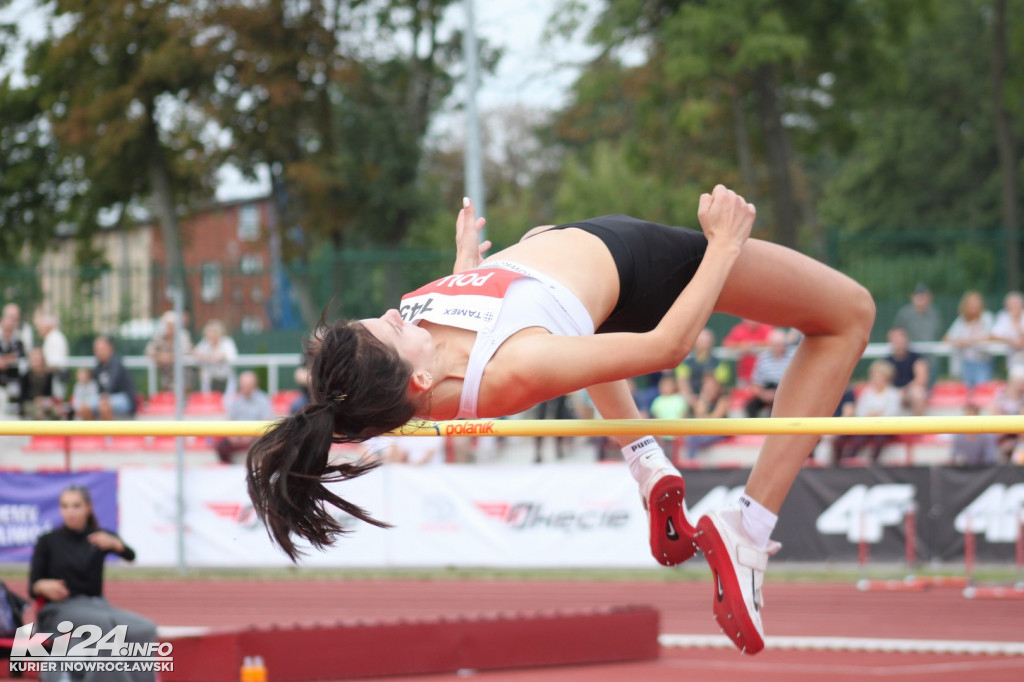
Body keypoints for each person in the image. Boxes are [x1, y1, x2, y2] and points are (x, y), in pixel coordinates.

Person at [245, 187, 875, 655]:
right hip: (643, 269)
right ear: (418, 381)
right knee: (848, 313)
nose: (391, 310)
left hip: (575, 254)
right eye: (388, 327)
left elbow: (488, 320)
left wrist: (466, 270)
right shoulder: (510, 369)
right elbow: (666, 347)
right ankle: (748, 528)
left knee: (574, 340)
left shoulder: (419, 364)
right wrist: (724, 244)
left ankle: (647, 464)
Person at [29, 484, 157, 682]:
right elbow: (33, 585)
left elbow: (130, 555)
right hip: (60, 609)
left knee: (144, 628)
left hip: (96, 605)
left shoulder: (99, 538)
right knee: (103, 626)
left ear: (88, 508)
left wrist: (116, 544)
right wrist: (42, 586)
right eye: (65, 506)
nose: (69, 512)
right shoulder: (48, 541)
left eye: (76, 506)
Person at [831, 360, 902, 465]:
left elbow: (892, 412)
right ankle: (845, 461)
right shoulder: (867, 392)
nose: (875, 380)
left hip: (884, 427)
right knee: (855, 437)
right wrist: (872, 415)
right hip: (867, 425)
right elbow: (860, 411)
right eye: (874, 376)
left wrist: (876, 415)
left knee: (879, 437)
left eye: (878, 376)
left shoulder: (893, 394)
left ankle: (872, 463)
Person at [214, 370, 274, 464]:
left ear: (254, 385)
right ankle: (229, 470)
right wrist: (232, 437)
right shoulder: (235, 400)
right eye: (243, 384)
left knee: (268, 446)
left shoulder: (263, 400)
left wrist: (251, 436)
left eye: (248, 384)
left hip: (256, 437)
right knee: (221, 447)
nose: (245, 387)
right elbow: (229, 420)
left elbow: (266, 423)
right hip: (237, 435)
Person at [943, 290, 994, 392]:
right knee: (966, 393)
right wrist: (958, 342)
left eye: (976, 302)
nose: (974, 305)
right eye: (971, 302)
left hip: (982, 362)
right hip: (965, 362)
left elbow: (992, 336)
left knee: (982, 391)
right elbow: (947, 338)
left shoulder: (987, 317)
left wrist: (970, 341)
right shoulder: (962, 320)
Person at [79, 336, 138, 420]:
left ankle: (109, 433)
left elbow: (113, 381)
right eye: (97, 350)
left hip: (124, 398)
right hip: (106, 398)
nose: (99, 352)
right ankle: (93, 432)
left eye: (102, 349)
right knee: (84, 407)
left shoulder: (116, 362)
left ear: (110, 348)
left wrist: (105, 395)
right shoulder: (99, 366)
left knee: (104, 406)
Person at [744, 328, 793, 418]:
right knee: (750, 406)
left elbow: (796, 382)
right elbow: (755, 383)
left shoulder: (792, 357)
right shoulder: (763, 358)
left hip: (786, 391)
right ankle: (753, 431)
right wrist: (764, 395)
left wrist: (779, 394)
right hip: (766, 389)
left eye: (779, 345)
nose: (777, 348)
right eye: (775, 345)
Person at [676, 328, 731, 401]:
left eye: (707, 341)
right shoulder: (685, 364)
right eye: (702, 341)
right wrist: (693, 401)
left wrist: (704, 400)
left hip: (713, 400)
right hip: (690, 401)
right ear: (695, 342)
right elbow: (682, 383)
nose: (705, 344)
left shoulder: (720, 364)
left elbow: (719, 386)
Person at [685, 373, 731, 460]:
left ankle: (690, 462)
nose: (709, 388)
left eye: (711, 385)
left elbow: (714, 420)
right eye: (706, 385)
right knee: (690, 436)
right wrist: (703, 399)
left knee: (693, 438)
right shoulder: (702, 399)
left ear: (717, 386)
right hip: (706, 431)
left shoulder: (723, 399)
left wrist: (703, 412)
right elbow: (699, 419)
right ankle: (691, 462)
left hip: (720, 431)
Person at [885, 327, 930, 416]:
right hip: (893, 393)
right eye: (895, 337)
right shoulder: (886, 361)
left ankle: (919, 427)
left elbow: (921, 379)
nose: (898, 340)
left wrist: (904, 390)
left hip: (910, 392)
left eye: (900, 337)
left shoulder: (917, 358)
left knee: (917, 393)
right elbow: (882, 381)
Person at [145, 311, 193, 393]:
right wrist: (161, 357)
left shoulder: (183, 335)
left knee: (183, 397)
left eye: (171, 325)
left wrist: (165, 357)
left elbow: (184, 352)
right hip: (166, 376)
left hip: (182, 375)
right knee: (167, 398)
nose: (169, 327)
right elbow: (149, 351)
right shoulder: (160, 336)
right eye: (167, 325)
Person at [649, 371, 689, 459]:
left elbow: (683, 417)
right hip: (662, 436)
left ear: (673, 386)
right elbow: (655, 418)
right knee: (662, 456)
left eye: (667, 385)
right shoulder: (657, 401)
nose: (665, 388)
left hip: (676, 436)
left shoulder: (679, 399)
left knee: (675, 458)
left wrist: (680, 434)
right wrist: (657, 434)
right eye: (662, 385)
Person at [191, 319, 238, 393]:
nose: (210, 335)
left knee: (227, 401)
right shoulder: (205, 343)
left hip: (225, 378)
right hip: (210, 379)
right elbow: (196, 353)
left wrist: (217, 357)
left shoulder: (226, 342)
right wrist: (206, 357)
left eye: (213, 332)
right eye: (208, 333)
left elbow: (231, 357)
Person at [722, 318, 774, 386]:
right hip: (745, 375)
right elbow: (726, 343)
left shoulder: (766, 328)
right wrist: (740, 345)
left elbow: (774, 341)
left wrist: (754, 345)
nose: (752, 321)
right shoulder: (739, 329)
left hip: (765, 376)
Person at [19, 348, 62, 420]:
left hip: (45, 402)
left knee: (57, 412)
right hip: (30, 403)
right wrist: (35, 399)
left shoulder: (48, 375)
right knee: (39, 413)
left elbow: (50, 394)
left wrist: (44, 400)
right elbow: (22, 396)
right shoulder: (25, 375)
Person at [33, 312, 69, 398]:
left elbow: (56, 362)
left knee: (56, 400)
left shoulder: (55, 338)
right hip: (52, 377)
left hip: (56, 377)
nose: (39, 330)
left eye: (41, 327)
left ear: (47, 327)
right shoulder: (51, 337)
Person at [991, 291, 1024, 375]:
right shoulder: (1003, 316)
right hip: (1013, 360)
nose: (1012, 307)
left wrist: (1017, 325)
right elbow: (994, 334)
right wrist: (1011, 341)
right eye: (1010, 304)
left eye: (1015, 304)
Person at [0, 307, 26, 412]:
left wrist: (7, 361)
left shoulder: (19, 343)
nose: (8, 332)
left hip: (13, 381)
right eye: (5, 329)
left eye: (10, 329)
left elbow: (22, 362)